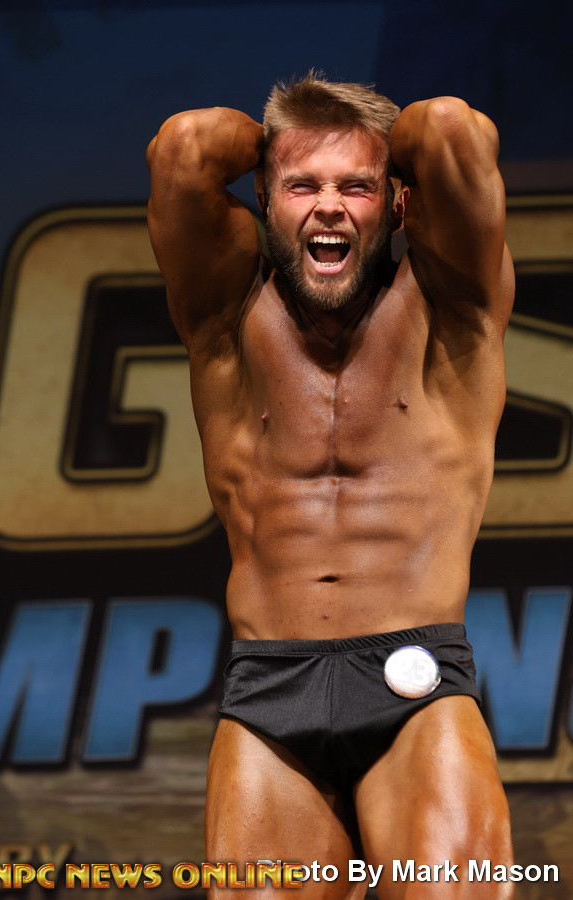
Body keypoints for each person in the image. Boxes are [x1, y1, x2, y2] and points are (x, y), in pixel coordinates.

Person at [147, 72, 515, 898]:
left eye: (356, 186)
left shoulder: (453, 308)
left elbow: (449, 129)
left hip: (416, 687)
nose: (329, 208)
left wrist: (364, 145)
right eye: (301, 186)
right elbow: (184, 147)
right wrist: (281, 136)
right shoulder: (224, 315)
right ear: (262, 199)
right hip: (269, 695)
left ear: (398, 203)